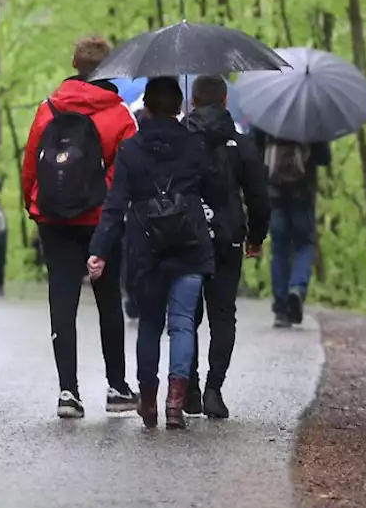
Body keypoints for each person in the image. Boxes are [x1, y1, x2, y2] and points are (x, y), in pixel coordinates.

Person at [88, 77, 228, 430]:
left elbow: (115, 204)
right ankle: (175, 404)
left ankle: (147, 400)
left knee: (149, 324)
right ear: (180, 108)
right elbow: (216, 192)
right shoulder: (196, 146)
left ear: (146, 108)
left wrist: (99, 250)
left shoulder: (131, 150)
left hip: (144, 247)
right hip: (190, 243)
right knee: (183, 324)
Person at [21, 35, 138, 419]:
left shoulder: (48, 109)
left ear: (75, 65)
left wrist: (33, 204)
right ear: (109, 69)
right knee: (108, 301)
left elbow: (30, 164)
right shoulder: (120, 116)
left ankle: (67, 392)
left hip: (54, 217)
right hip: (100, 219)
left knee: (62, 299)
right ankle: (117, 387)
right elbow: (127, 175)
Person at [182, 75, 270, 419]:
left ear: (193, 101)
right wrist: (255, 237)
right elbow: (259, 198)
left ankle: (188, 385)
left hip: (187, 237)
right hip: (228, 236)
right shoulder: (242, 144)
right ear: (225, 103)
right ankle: (213, 390)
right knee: (222, 314)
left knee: (186, 315)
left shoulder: (180, 141)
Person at [253, 129, 330, 327]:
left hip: (273, 193)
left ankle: (281, 309)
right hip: (303, 195)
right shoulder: (310, 119)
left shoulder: (266, 116)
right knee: (305, 244)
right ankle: (297, 288)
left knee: (279, 248)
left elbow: (252, 151)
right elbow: (324, 158)